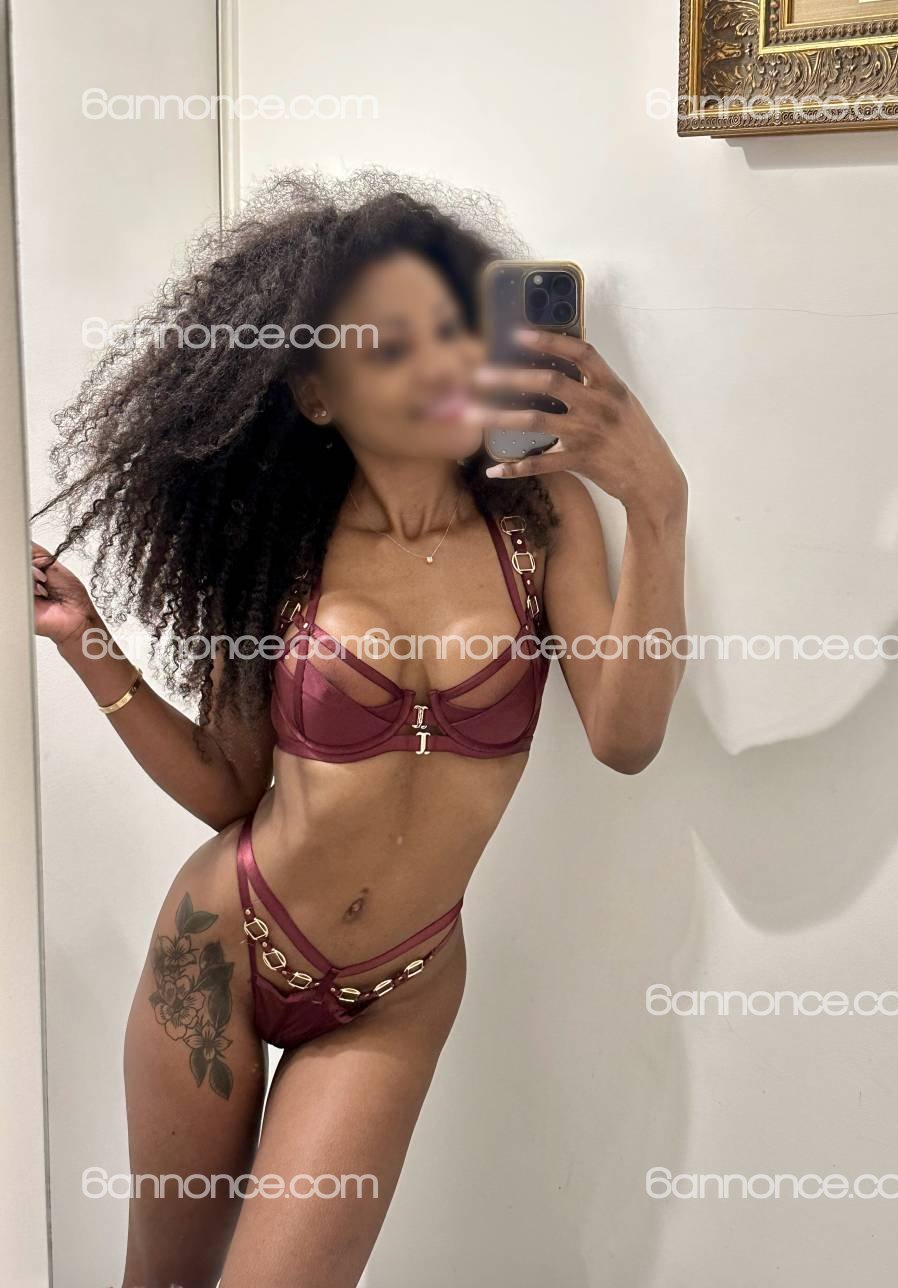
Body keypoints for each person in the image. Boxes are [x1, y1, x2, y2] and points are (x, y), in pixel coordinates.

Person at [31, 169, 688, 1288]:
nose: (438, 364)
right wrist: (87, 641)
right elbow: (226, 786)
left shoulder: (541, 517)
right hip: (224, 944)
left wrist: (659, 507)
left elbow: (626, 737)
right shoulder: (280, 546)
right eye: (389, 345)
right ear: (315, 394)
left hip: (399, 986)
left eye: (449, 329)